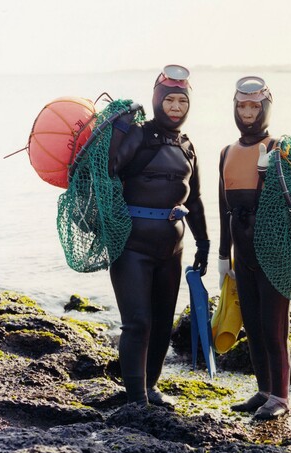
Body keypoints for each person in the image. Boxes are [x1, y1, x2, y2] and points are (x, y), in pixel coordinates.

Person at [108, 65, 210, 406]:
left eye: (182, 101)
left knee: (163, 322)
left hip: (173, 247)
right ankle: (136, 399)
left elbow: (193, 197)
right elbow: (109, 169)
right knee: (137, 323)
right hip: (132, 245)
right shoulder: (138, 134)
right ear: (157, 101)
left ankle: (151, 387)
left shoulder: (187, 145)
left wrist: (204, 242)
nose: (176, 107)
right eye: (170, 100)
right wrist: (119, 129)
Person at [218, 76, 291, 419]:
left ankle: (281, 397)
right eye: (242, 106)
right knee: (253, 325)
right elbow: (223, 208)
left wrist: (269, 174)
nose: (247, 113)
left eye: (254, 106)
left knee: (274, 327)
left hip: (274, 254)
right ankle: (263, 390)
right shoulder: (226, 152)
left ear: (265, 109)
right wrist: (222, 255)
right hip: (242, 255)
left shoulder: (280, 148)